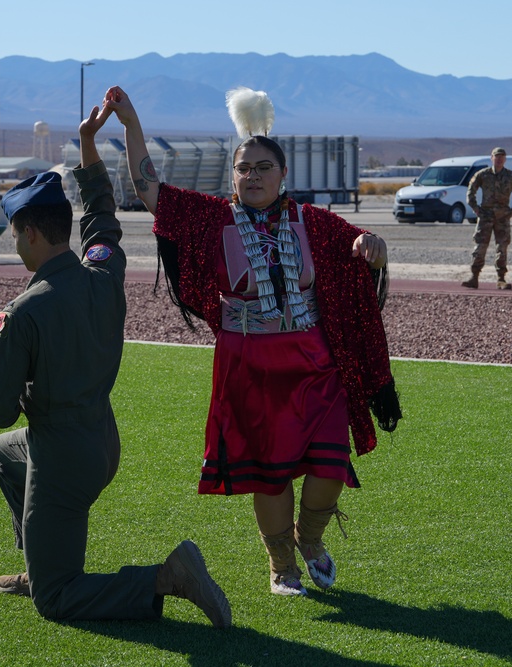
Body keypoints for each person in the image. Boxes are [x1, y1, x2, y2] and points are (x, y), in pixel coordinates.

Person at [104, 85, 401, 597]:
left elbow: (359, 245)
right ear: (233, 177)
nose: (254, 176)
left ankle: (310, 540)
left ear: (283, 174)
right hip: (249, 363)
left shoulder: (313, 222)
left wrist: (369, 245)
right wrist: (131, 126)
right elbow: (148, 189)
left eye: (264, 167)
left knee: (330, 464)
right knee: (271, 473)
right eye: (245, 168)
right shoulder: (211, 218)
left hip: (314, 362)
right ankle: (281, 564)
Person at [0, 103, 232, 627]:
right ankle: (40, 562)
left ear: (29, 234)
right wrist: (88, 141)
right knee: (5, 454)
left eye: (15, 235)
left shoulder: (24, 312)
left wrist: (12, 371)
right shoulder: (102, 269)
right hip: (102, 440)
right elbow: (101, 211)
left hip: (63, 457)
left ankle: (166, 576)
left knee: (58, 600)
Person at [462, 147, 512, 290]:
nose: (499, 159)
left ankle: (501, 279)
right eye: (496, 157)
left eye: (502, 157)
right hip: (485, 216)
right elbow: (470, 190)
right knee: (480, 246)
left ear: (505, 159)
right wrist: (475, 207)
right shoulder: (483, 175)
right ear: (491, 158)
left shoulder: (511, 176)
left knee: (502, 248)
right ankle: (474, 277)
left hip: (503, 217)